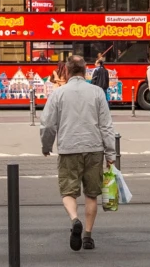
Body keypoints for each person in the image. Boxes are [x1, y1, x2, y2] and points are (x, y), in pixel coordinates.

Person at [40, 55, 117, 252]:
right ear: (85, 71)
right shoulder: (97, 92)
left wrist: (46, 146)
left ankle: (75, 220)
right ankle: (88, 236)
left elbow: (48, 124)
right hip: (94, 149)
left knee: (68, 192)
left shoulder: (58, 94)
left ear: (66, 70)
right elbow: (106, 126)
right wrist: (110, 154)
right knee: (92, 194)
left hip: (68, 148)